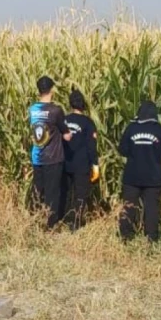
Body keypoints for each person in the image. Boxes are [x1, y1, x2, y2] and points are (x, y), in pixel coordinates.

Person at [118, 100, 161, 242]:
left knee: (129, 205)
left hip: (132, 175)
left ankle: (126, 236)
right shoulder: (159, 130)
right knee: (152, 207)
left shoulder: (131, 128)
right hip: (153, 176)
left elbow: (122, 149)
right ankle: (151, 237)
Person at [29, 76, 72, 229]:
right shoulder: (56, 110)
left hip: (37, 157)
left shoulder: (32, 109)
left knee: (38, 190)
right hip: (53, 158)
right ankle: (50, 225)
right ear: (52, 90)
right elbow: (66, 134)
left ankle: (35, 220)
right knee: (53, 193)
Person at [60, 89, 100, 231]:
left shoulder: (64, 120)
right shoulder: (88, 122)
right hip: (81, 165)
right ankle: (75, 223)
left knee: (65, 193)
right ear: (83, 104)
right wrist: (95, 165)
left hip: (65, 164)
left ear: (70, 104)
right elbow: (91, 145)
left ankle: (64, 220)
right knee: (80, 194)